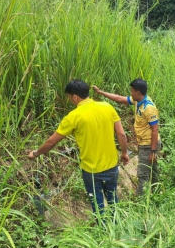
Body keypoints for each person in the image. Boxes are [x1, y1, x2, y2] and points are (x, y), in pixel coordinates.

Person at [28, 79, 129, 216]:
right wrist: (124, 153)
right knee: (113, 201)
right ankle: (117, 229)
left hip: (91, 170)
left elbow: (52, 142)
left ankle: (104, 233)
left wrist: (35, 153)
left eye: (69, 97)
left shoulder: (74, 116)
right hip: (112, 166)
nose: (70, 100)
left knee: (98, 206)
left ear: (74, 96)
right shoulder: (107, 107)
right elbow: (121, 134)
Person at [92, 78, 160, 196]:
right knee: (153, 168)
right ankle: (157, 191)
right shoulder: (138, 101)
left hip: (149, 145)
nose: (131, 93)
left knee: (142, 173)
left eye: (132, 91)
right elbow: (119, 99)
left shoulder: (149, 108)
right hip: (145, 143)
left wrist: (152, 151)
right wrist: (101, 92)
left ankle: (141, 200)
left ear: (138, 92)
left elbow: (155, 130)